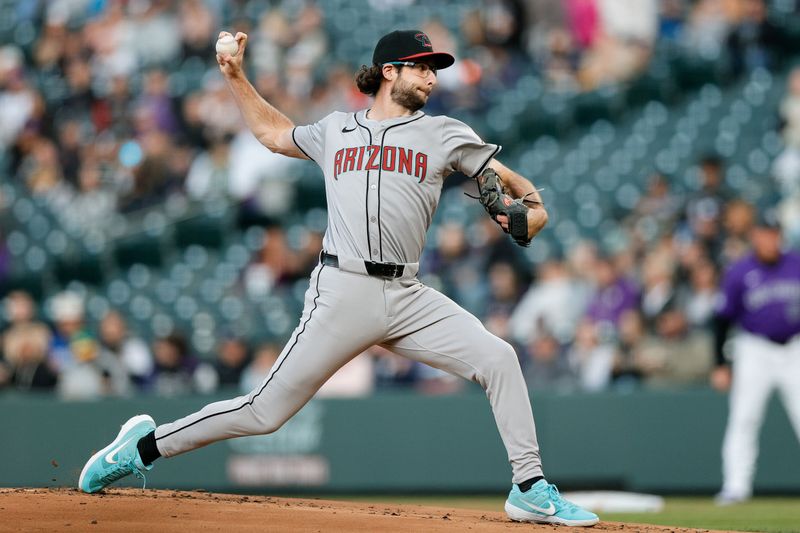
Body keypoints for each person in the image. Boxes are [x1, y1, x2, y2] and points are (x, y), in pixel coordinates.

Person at [77, 29, 598, 527]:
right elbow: (272, 133)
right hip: (342, 290)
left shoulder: (446, 133)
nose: (433, 78)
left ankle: (528, 488)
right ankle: (141, 447)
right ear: (389, 72)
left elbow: (515, 184)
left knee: (499, 358)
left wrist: (534, 208)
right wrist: (235, 74)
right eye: (423, 68)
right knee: (263, 412)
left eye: (435, 70)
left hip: (409, 293)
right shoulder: (335, 129)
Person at [711, 209, 800, 505]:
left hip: (795, 348)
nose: (769, 239)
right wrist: (720, 364)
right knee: (744, 417)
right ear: (755, 235)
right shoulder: (740, 271)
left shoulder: (796, 263)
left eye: (774, 233)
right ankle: (736, 486)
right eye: (764, 232)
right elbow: (722, 319)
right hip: (755, 349)